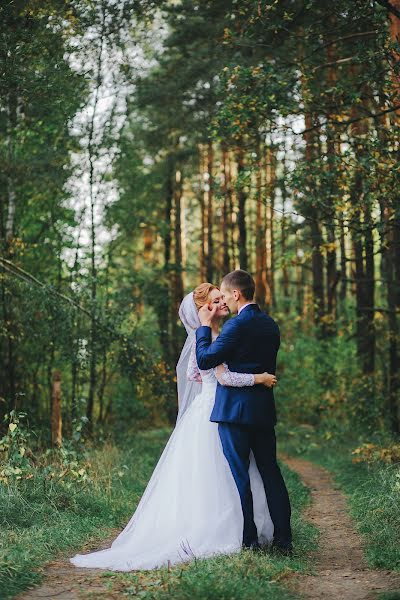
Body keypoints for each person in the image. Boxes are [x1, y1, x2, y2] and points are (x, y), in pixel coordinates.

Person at [69, 283, 275, 571]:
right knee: (217, 472)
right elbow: (216, 376)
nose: (222, 304)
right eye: (216, 301)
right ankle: (225, 530)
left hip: (215, 405)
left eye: (221, 298)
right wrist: (254, 378)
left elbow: (193, 373)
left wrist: (213, 380)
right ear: (204, 309)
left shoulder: (214, 335)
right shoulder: (209, 338)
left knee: (234, 469)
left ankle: (247, 529)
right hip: (215, 410)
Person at [196, 270, 293, 555]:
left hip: (234, 414)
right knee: (271, 473)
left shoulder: (235, 327)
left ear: (236, 294)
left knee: (241, 476)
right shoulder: (271, 325)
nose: (224, 300)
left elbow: (205, 359)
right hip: (263, 412)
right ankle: (283, 540)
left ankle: (249, 540)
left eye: (225, 295)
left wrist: (204, 328)